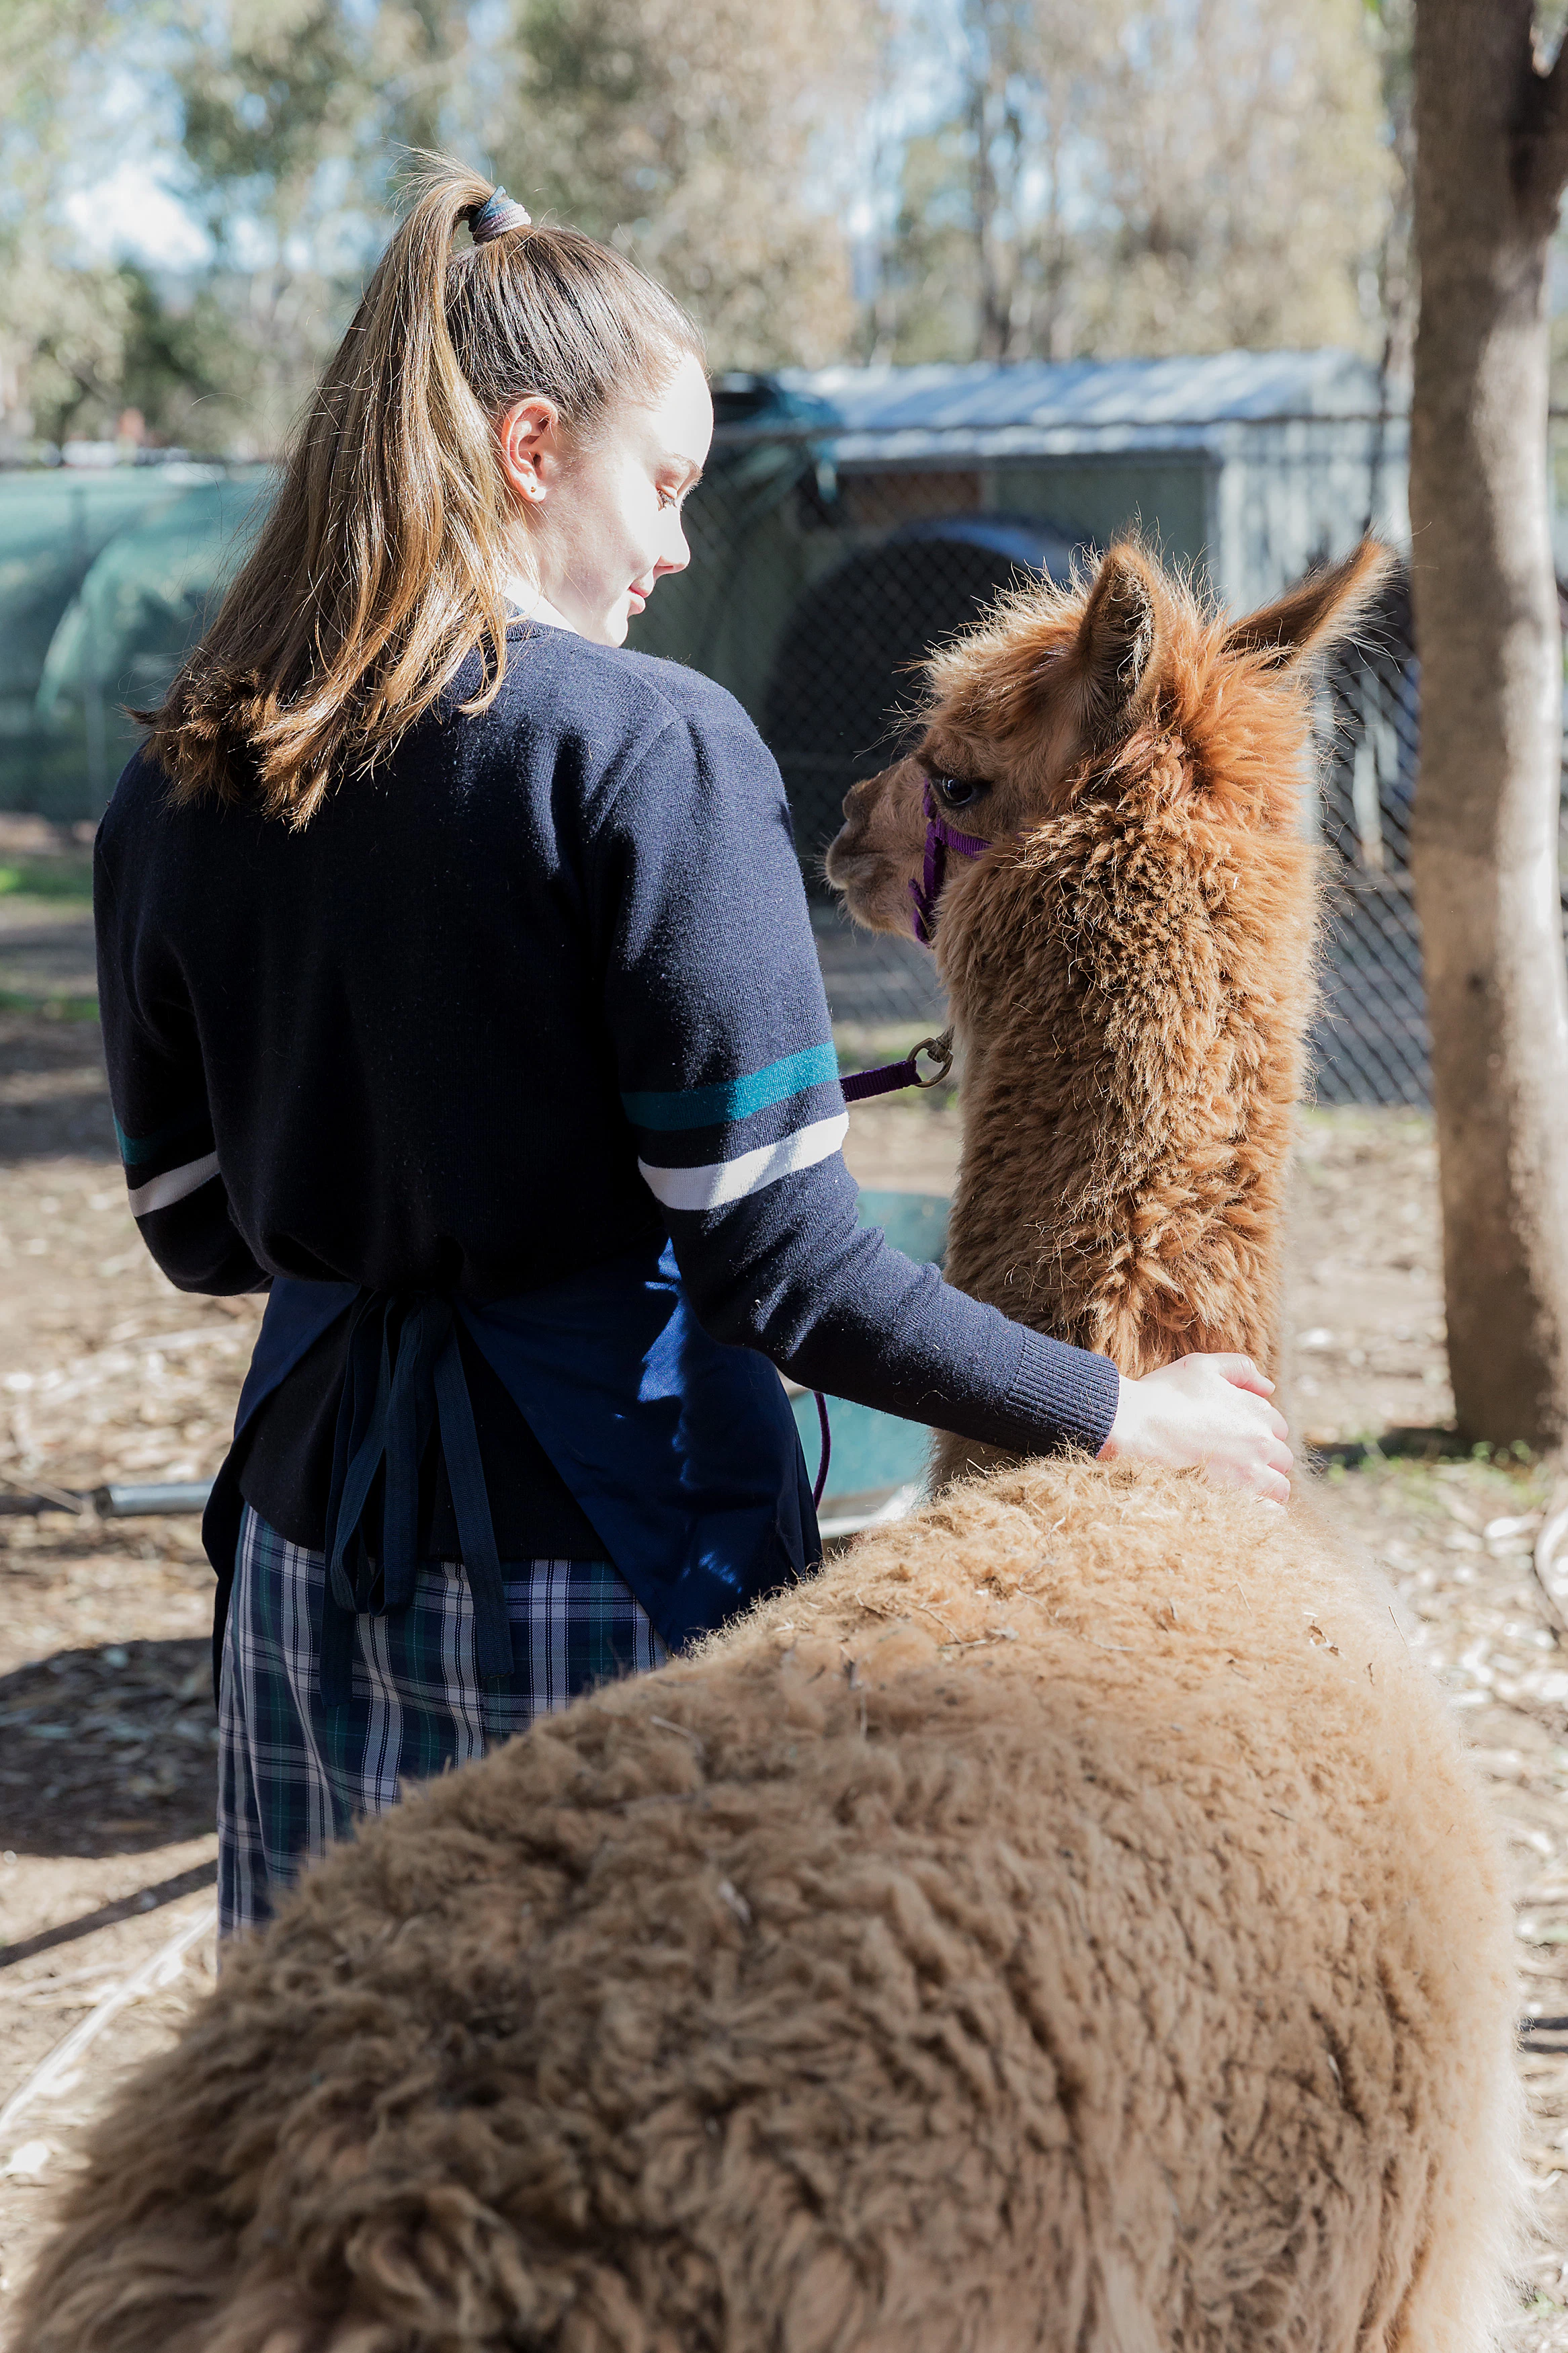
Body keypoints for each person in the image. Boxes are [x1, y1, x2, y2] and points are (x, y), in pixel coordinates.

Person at [95, 161, 1292, 1938]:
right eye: (659, 485)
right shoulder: (650, 749)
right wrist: (1124, 1408)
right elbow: (779, 1268)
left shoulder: (185, 775)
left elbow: (202, 1231)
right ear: (526, 450)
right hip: (609, 1555)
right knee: (622, 2132)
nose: (670, 546)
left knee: (331, 2129)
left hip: (305, 1554)